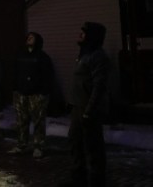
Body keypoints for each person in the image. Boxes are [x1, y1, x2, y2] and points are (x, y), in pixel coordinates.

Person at [61, 22, 110, 187]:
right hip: (77, 106)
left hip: (88, 109)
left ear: (92, 36)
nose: (80, 35)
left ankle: (96, 181)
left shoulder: (98, 56)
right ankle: (78, 178)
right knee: (75, 142)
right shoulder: (84, 54)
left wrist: (89, 111)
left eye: (83, 33)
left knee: (93, 147)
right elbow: (80, 82)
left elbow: (99, 87)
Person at [10, 32, 54, 158]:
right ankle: (21, 145)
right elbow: (15, 72)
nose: (29, 39)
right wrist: (15, 89)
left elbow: (48, 76)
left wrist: (43, 92)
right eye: (28, 37)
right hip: (21, 94)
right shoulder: (20, 55)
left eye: (32, 37)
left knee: (38, 121)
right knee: (21, 121)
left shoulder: (43, 57)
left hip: (37, 94)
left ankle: (38, 147)